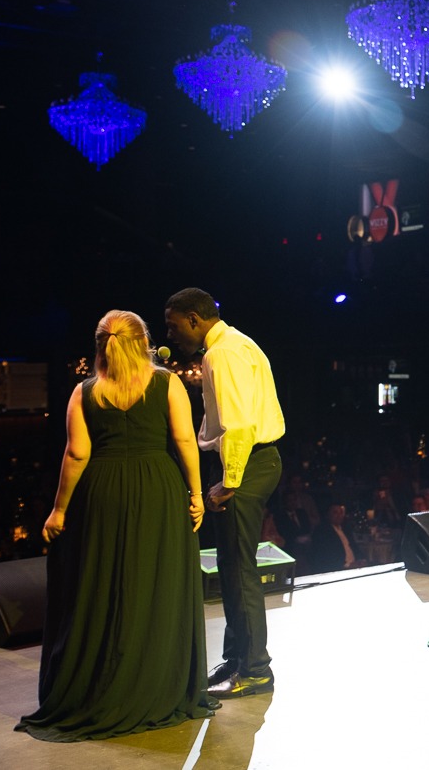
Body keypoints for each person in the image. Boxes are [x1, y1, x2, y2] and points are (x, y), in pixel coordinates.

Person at [17, 310, 216, 741]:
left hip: (101, 492)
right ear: (143, 341)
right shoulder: (167, 382)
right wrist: (196, 494)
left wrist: (58, 511)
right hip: (157, 489)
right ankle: (154, 682)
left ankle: (101, 684)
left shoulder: (85, 391)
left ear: (100, 345)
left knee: (101, 583)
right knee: (154, 583)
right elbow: (185, 440)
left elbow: (76, 455)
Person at [164, 288, 285, 699]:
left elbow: (238, 425)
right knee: (233, 568)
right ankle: (237, 660)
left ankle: (255, 670)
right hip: (256, 461)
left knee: (239, 569)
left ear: (195, 318)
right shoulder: (238, 343)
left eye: (174, 324)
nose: (172, 333)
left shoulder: (222, 354)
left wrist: (229, 481)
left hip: (245, 464)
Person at [313, 502, 360, 572]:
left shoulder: (345, 529)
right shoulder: (322, 531)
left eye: (341, 513)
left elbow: (354, 546)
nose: (339, 516)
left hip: (355, 565)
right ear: (328, 515)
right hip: (339, 568)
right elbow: (326, 556)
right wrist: (347, 565)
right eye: (335, 513)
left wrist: (362, 560)